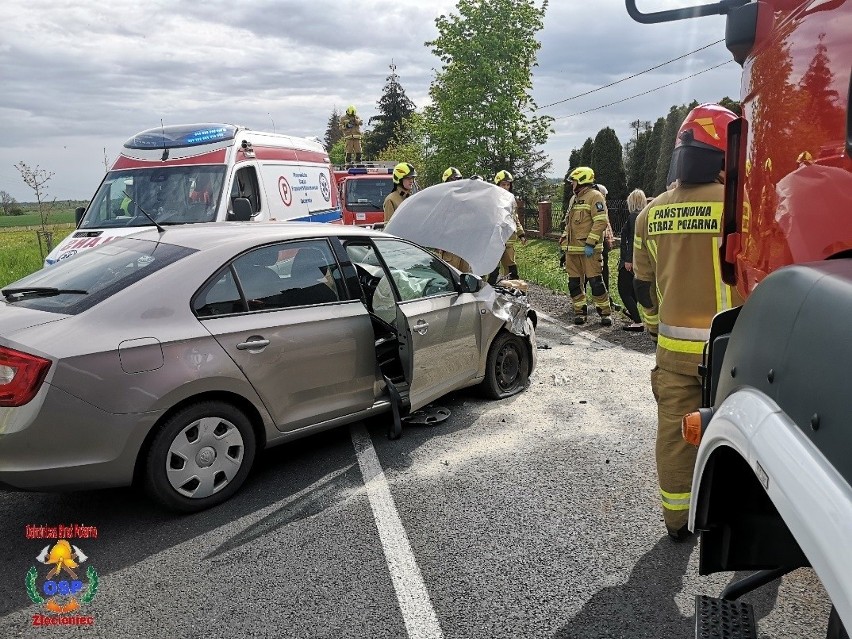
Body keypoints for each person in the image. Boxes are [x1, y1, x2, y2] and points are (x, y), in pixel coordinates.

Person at [632, 103, 744, 541]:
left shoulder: (649, 214)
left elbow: (643, 287)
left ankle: (678, 522)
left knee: (677, 437)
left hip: (674, 357)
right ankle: (739, 526)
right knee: (742, 439)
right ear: (727, 155)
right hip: (737, 356)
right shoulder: (742, 207)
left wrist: (655, 327)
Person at [560, 166, 612, 325]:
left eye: (573, 181)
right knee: (574, 283)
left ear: (581, 181)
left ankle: (605, 313)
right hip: (572, 250)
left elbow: (601, 221)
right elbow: (569, 225)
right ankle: (580, 313)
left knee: (596, 283)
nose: (571, 184)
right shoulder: (573, 199)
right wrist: (564, 241)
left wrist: (590, 243)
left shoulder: (595, 196)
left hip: (590, 251)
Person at [487, 170, 526, 284]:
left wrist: (521, 234)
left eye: (508, 184)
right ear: (498, 185)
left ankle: (513, 292)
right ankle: (489, 290)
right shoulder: (492, 200)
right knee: (493, 269)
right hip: (495, 240)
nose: (506, 187)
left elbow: (515, 218)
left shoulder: (511, 199)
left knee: (511, 268)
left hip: (509, 240)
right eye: (503, 184)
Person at [618, 189, 647, 331]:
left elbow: (632, 240)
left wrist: (628, 260)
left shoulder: (633, 217)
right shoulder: (644, 215)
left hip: (629, 260)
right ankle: (634, 314)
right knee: (632, 289)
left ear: (632, 201)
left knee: (623, 290)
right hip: (640, 260)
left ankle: (637, 321)